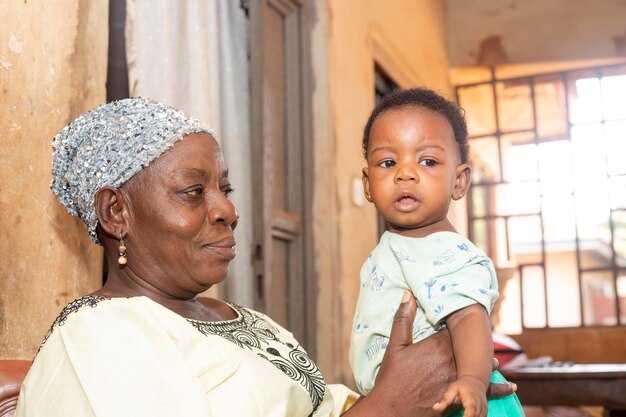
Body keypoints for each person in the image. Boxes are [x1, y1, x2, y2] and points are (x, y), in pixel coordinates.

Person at [15, 98, 515, 417]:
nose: (228, 210)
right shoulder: (101, 335)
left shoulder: (247, 321)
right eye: (194, 192)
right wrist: (387, 406)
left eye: (225, 189)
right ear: (116, 213)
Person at [350, 88, 525, 417]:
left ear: (459, 181)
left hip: (459, 401)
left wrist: (472, 381)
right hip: (417, 399)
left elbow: (469, 316)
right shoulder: (398, 246)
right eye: (388, 162)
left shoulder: (445, 250)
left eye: (427, 161)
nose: (405, 173)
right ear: (368, 183)